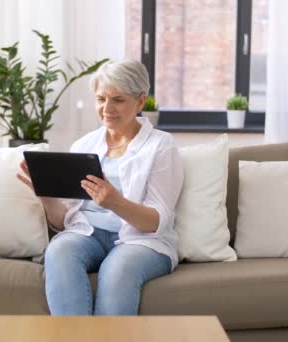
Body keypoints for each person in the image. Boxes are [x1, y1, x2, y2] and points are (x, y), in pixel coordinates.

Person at [16, 60, 184, 315]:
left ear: (140, 102)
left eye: (118, 99)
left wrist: (114, 202)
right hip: (88, 233)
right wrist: (47, 196)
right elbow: (64, 222)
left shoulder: (161, 146)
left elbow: (155, 221)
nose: (107, 109)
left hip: (142, 240)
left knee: (117, 269)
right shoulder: (83, 146)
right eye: (100, 99)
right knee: (59, 250)